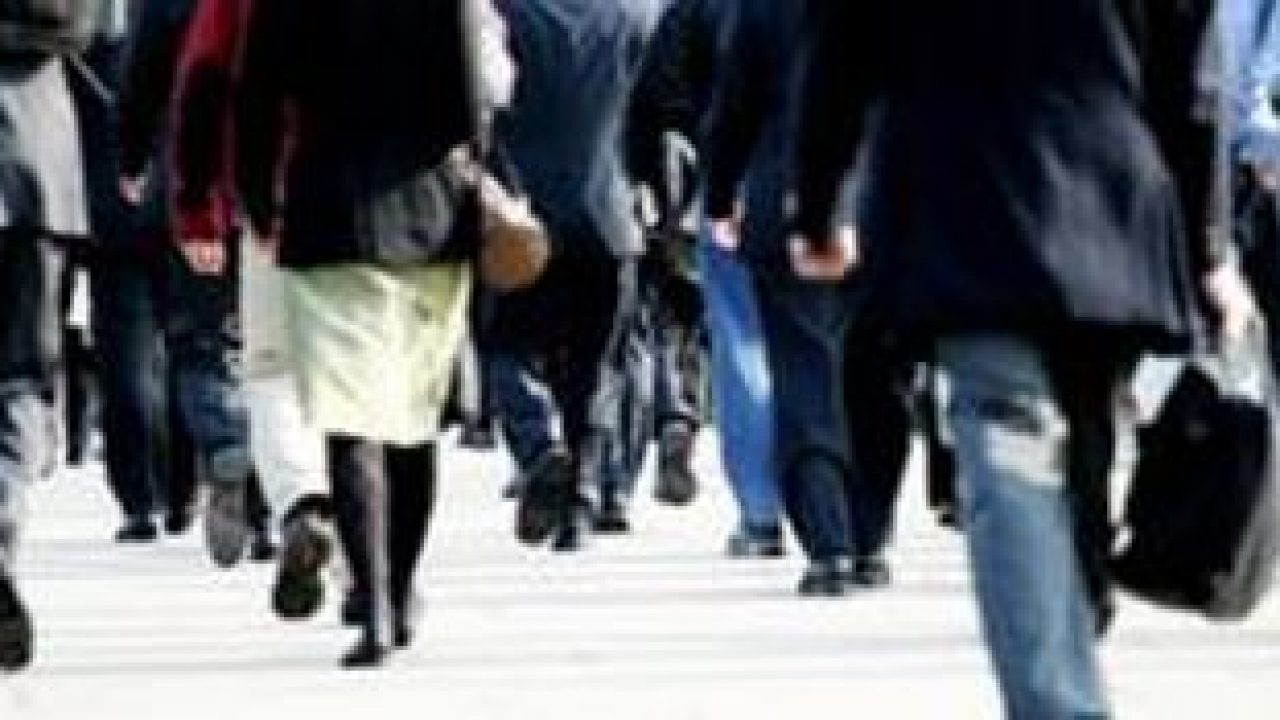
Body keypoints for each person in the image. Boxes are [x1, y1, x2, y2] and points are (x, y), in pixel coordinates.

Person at [788, 1, 1235, 716]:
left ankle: (1058, 679)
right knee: (1084, 442)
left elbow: (838, 53)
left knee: (1011, 455)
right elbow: (1193, 82)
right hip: (1108, 203)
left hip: (961, 204)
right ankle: (1076, 610)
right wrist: (1208, 247)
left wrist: (817, 207)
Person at [235, 0, 513, 667]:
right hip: (429, 212)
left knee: (350, 419)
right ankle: (402, 582)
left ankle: (375, 605)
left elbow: (257, 95)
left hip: (328, 210)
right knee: (414, 418)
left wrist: (258, 204)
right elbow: (472, 94)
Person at [492, 0, 662, 552]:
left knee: (502, 343)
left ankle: (539, 443)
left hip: (520, 214)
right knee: (598, 366)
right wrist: (654, 190)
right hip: (608, 210)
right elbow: (655, 112)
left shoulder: (502, 14)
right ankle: (584, 499)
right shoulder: (633, 16)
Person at [0, 0, 103, 673]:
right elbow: (84, 22)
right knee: (20, 380)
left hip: (32, 178)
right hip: (34, 171)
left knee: (23, 376)